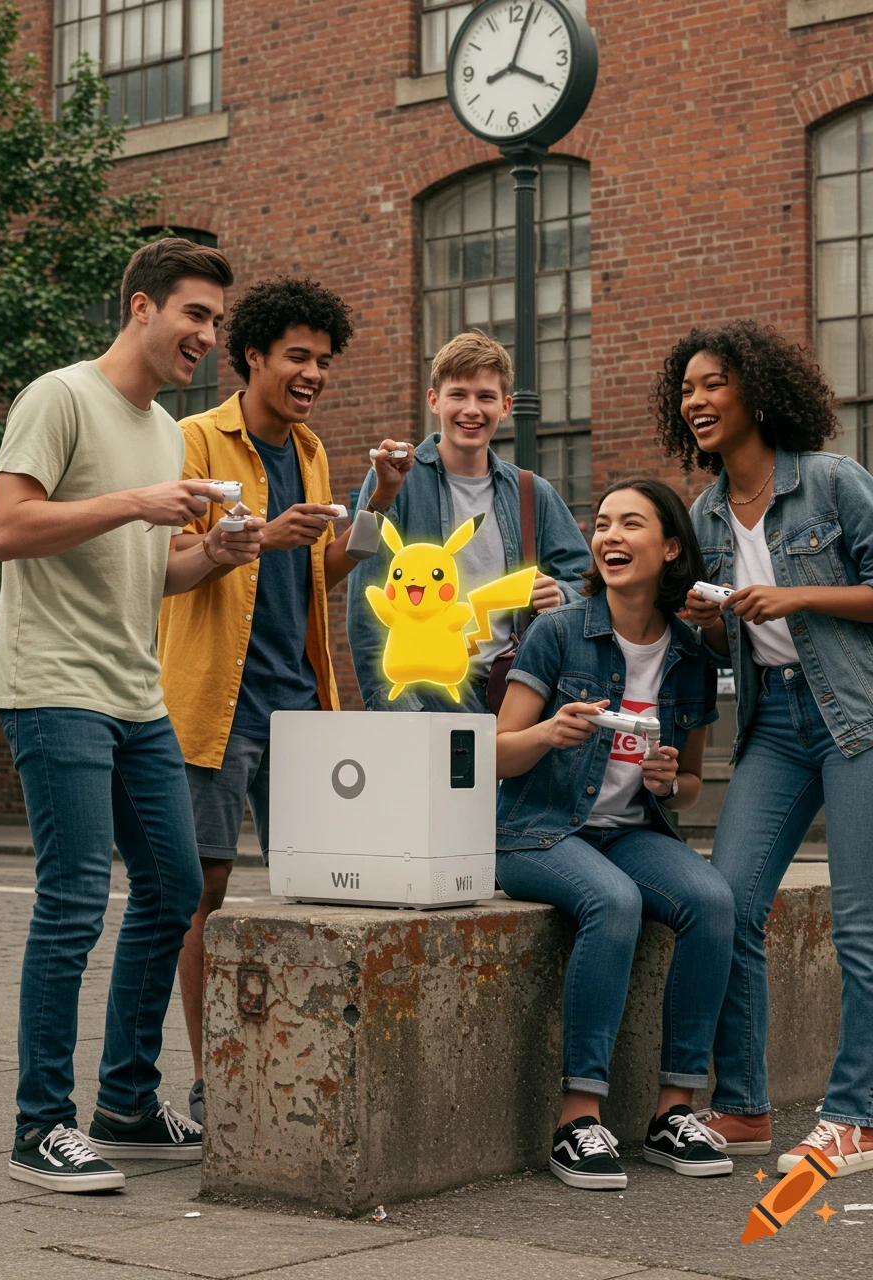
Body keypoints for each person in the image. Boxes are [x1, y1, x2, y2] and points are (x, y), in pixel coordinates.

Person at [0, 238, 264, 1192]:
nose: (208, 338)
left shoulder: (164, 429)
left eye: (218, 324)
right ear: (141, 307)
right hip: (54, 686)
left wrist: (215, 554)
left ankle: (128, 1103)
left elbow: (156, 573)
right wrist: (135, 503)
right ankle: (38, 1128)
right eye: (196, 315)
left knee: (175, 888)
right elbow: (7, 530)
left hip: (134, 693)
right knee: (70, 904)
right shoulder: (59, 397)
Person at [157, 276, 413, 1123]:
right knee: (207, 885)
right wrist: (263, 535)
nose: (313, 374)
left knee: (318, 882)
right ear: (254, 357)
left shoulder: (308, 450)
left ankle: (300, 1068)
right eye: (297, 357)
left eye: (324, 362)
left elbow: (323, 573)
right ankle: (206, 1077)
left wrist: (376, 500)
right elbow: (170, 566)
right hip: (215, 698)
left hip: (300, 697)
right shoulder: (193, 440)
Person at [656, 318, 873, 1177]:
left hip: (855, 714)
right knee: (729, 904)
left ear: (757, 391)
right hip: (774, 725)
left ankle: (856, 1115)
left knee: (860, 926)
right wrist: (709, 628)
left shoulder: (830, 482)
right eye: (687, 391)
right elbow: (727, 647)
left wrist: (799, 597)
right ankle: (743, 1108)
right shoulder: (705, 514)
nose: (697, 401)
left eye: (713, 384)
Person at [495, 478, 735, 1190]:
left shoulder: (691, 654)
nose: (609, 536)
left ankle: (673, 1112)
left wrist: (668, 780)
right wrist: (549, 731)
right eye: (601, 524)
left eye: (631, 524)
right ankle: (579, 1119)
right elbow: (495, 752)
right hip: (535, 832)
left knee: (713, 901)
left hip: (630, 831)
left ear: (668, 548)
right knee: (616, 903)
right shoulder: (561, 630)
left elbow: (689, 783)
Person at [347, 330, 590, 712]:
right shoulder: (397, 480)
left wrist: (561, 593)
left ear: (506, 406)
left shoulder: (533, 492)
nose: (472, 409)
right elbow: (366, 609)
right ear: (434, 401)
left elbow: (587, 580)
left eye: (486, 397)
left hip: (516, 693)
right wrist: (397, 711)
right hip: (427, 695)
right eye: (458, 394)